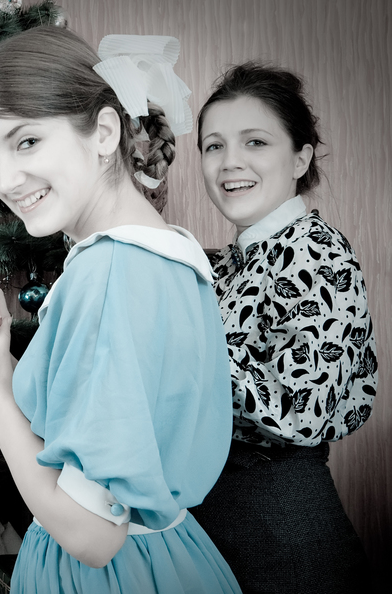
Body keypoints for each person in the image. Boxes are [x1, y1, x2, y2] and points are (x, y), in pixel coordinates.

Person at [0, 26, 241, 593]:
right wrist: (5, 370)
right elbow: (106, 443)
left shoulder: (108, 274)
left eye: (27, 142)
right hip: (173, 558)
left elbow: (94, 535)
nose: (7, 180)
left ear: (103, 131)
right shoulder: (170, 250)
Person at [190, 61, 376, 594]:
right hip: (222, 526)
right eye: (214, 146)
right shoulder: (227, 263)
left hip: (283, 529)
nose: (230, 163)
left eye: (255, 142)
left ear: (300, 157)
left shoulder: (319, 252)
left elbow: (303, 408)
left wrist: (190, 342)